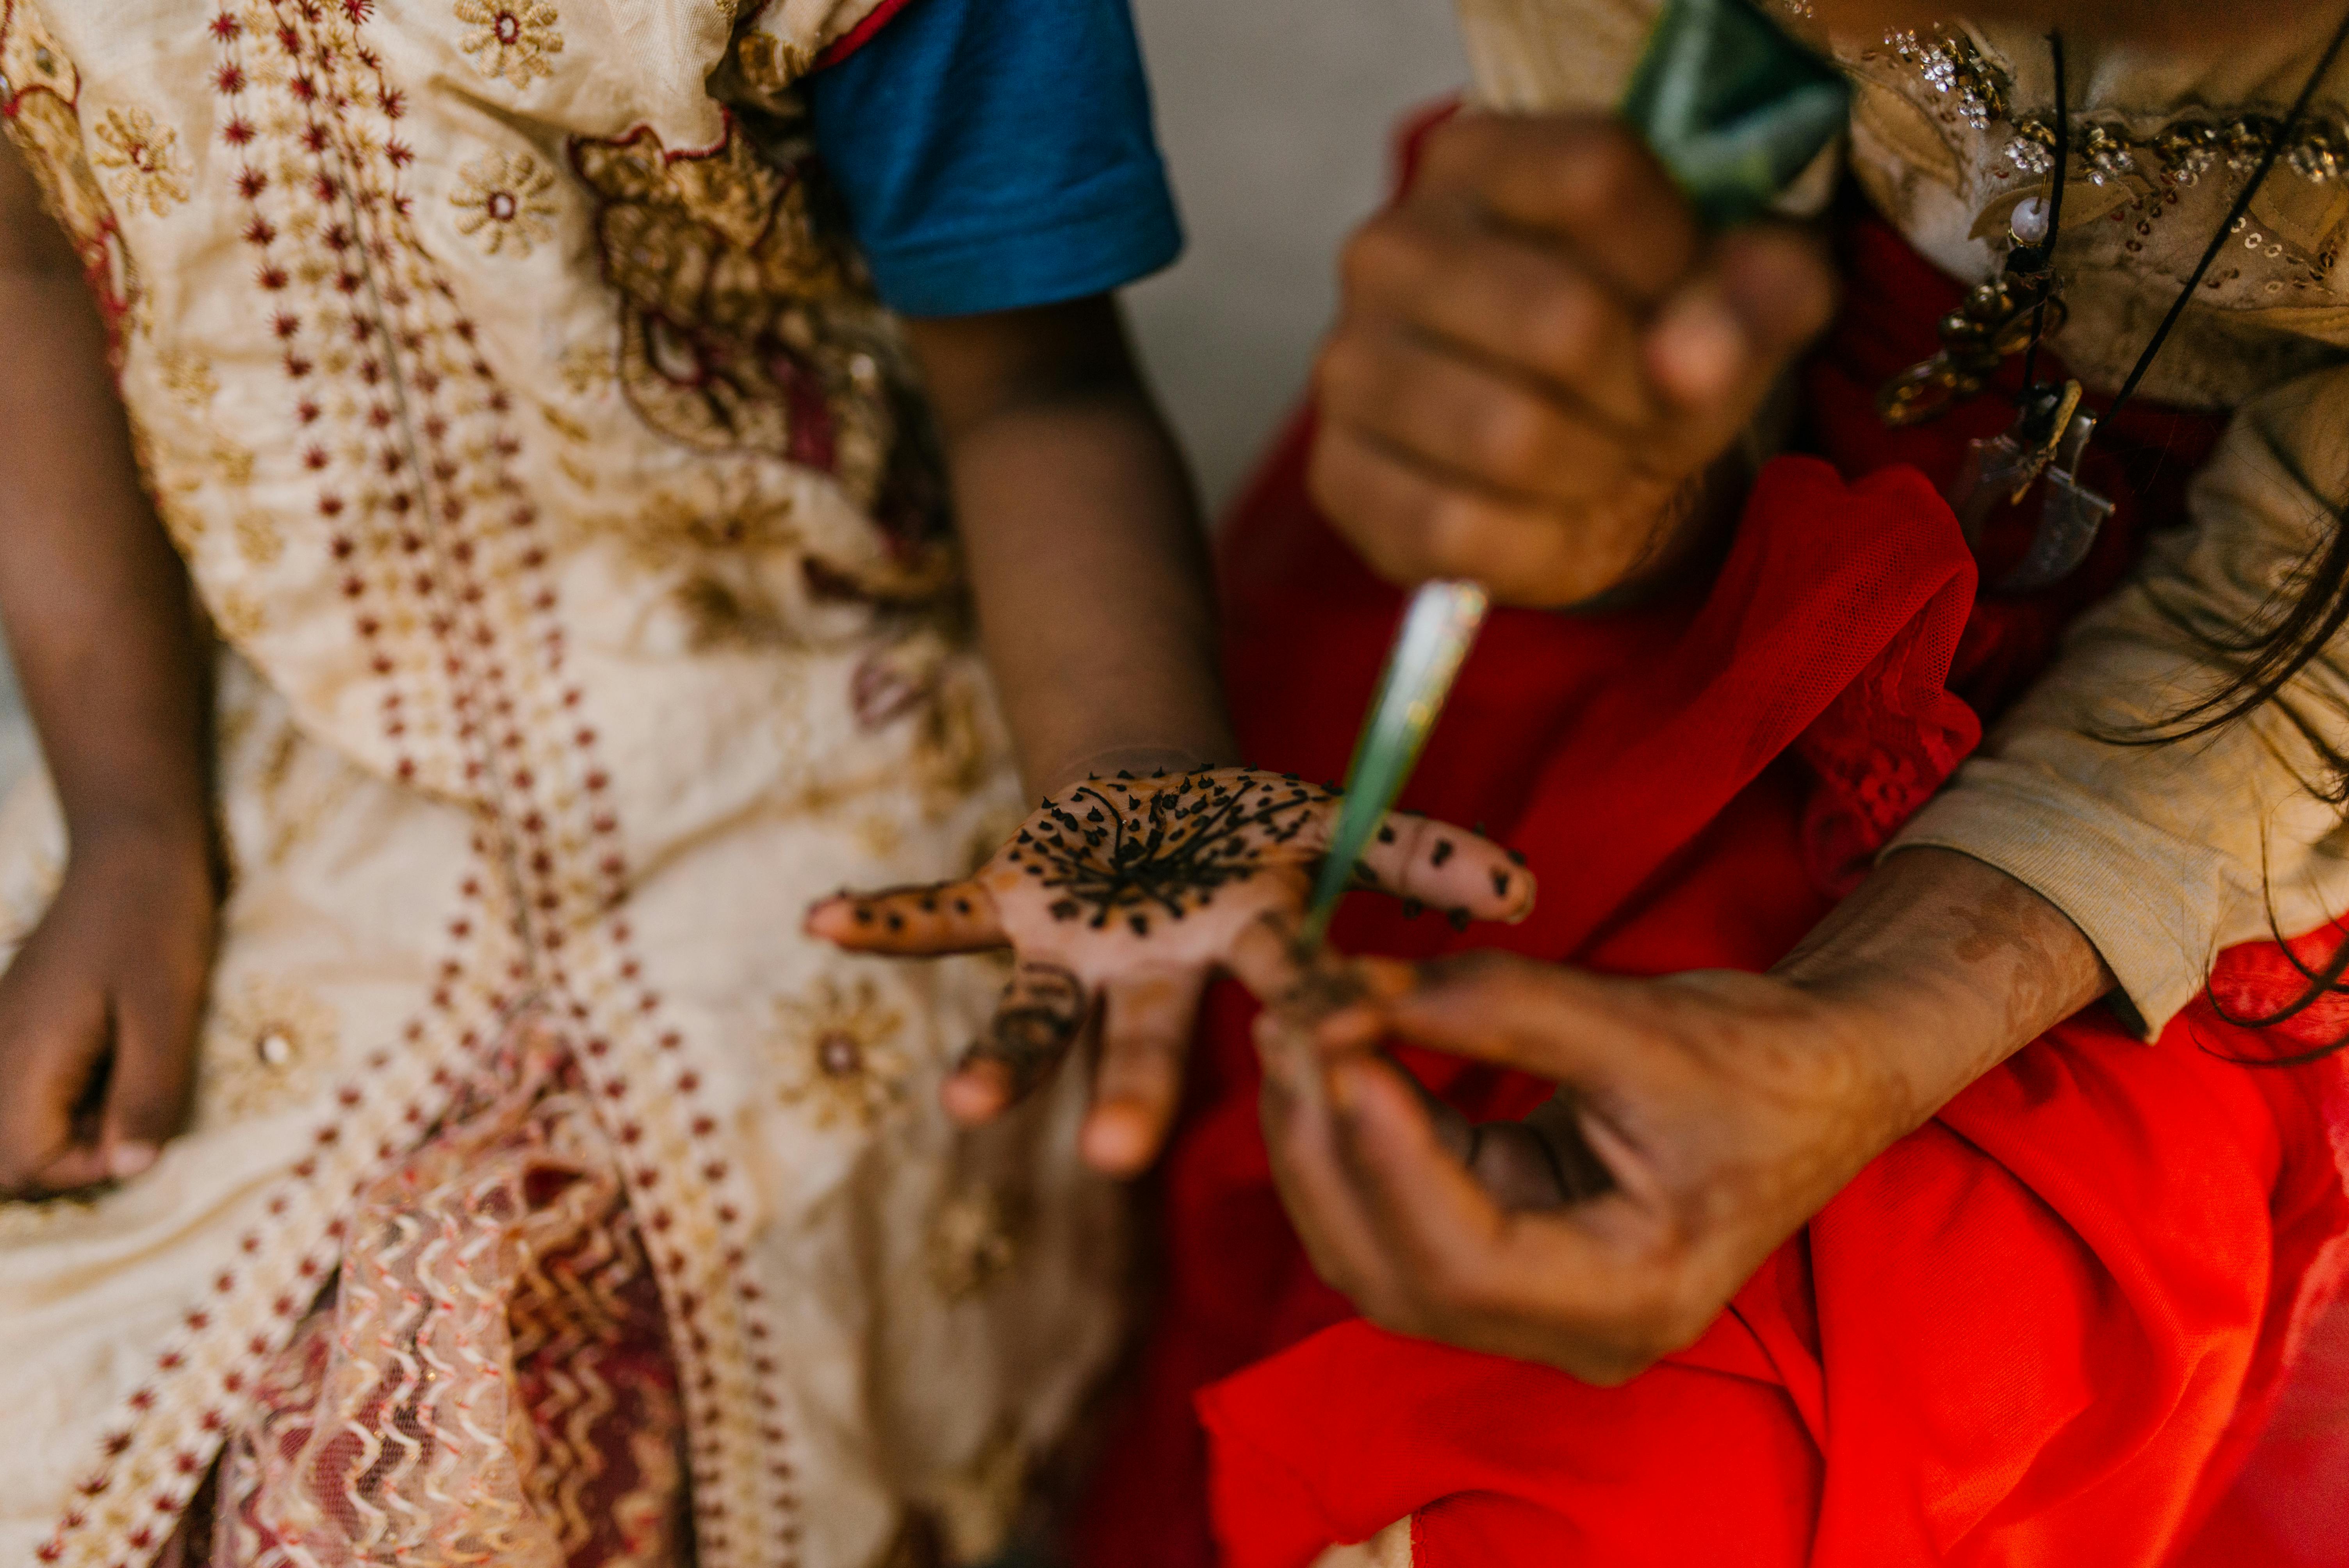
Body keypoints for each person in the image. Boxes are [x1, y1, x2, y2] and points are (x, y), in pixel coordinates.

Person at [0, 2, 1518, 1564]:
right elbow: (26, 263)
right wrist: (130, 821)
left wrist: (1124, 771)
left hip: (812, 795)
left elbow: (1035, 388)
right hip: (287, 760)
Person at [1028, 1, 2349, 1564]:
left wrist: (1870, 1037)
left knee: (1696, 1465)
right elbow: (1634, 214)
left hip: (2224, 802)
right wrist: (1599, 492)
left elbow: (2275, 685)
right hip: (1694, 543)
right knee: (1297, 1164)